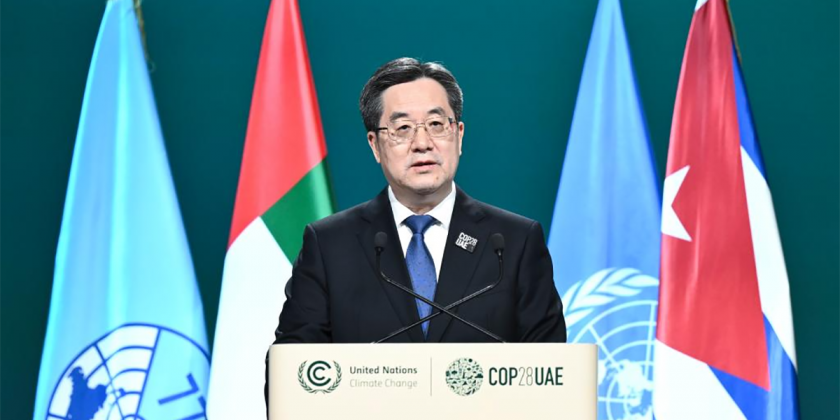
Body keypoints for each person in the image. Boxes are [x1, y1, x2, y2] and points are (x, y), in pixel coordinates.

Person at [271, 57, 566, 344]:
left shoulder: (514, 242)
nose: (422, 143)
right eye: (403, 129)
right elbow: (290, 365)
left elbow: (552, 365)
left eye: (436, 124)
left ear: (459, 135)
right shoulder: (329, 245)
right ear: (375, 145)